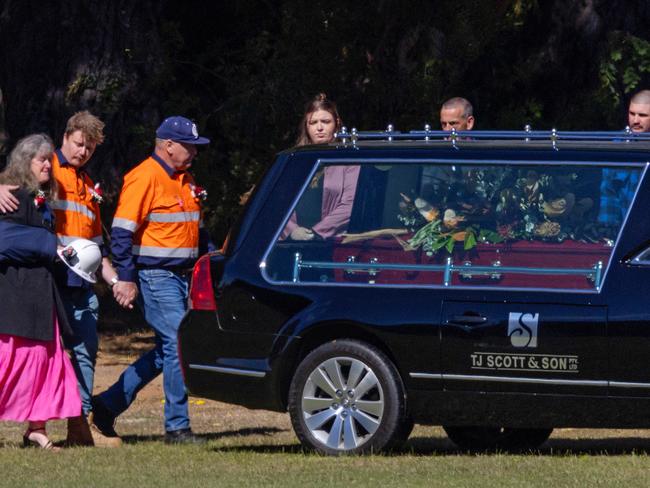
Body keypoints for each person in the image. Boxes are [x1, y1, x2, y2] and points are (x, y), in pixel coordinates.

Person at [90, 116, 212, 444]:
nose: (195, 153)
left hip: (181, 276)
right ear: (168, 145)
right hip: (156, 276)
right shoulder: (144, 177)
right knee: (178, 342)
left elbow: (195, 229)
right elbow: (121, 233)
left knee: (165, 351)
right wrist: (126, 279)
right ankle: (177, 427)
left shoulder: (185, 178)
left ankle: (106, 405)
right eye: (190, 147)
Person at [0, 134, 81, 450]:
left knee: (45, 362)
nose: (48, 164)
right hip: (16, 294)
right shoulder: (12, 197)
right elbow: (4, 243)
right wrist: (49, 246)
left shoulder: (41, 200)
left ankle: (36, 428)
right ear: (25, 162)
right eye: (40, 159)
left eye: (50, 159)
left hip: (41, 295)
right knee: (12, 360)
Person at [282, 93, 360, 240]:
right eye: (313, 122)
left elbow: (350, 204)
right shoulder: (295, 161)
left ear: (336, 123)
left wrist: (317, 232)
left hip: (331, 243)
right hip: (292, 241)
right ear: (306, 126)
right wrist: (292, 230)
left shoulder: (348, 161)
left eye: (325, 121)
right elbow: (281, 202)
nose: (319, 128)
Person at [598, 90, 649, 227]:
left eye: (642, 115)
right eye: (632, 114)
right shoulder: (618, 145)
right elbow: (608, 193)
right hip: (625, 232)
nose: (635, 120)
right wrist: (607, 230)